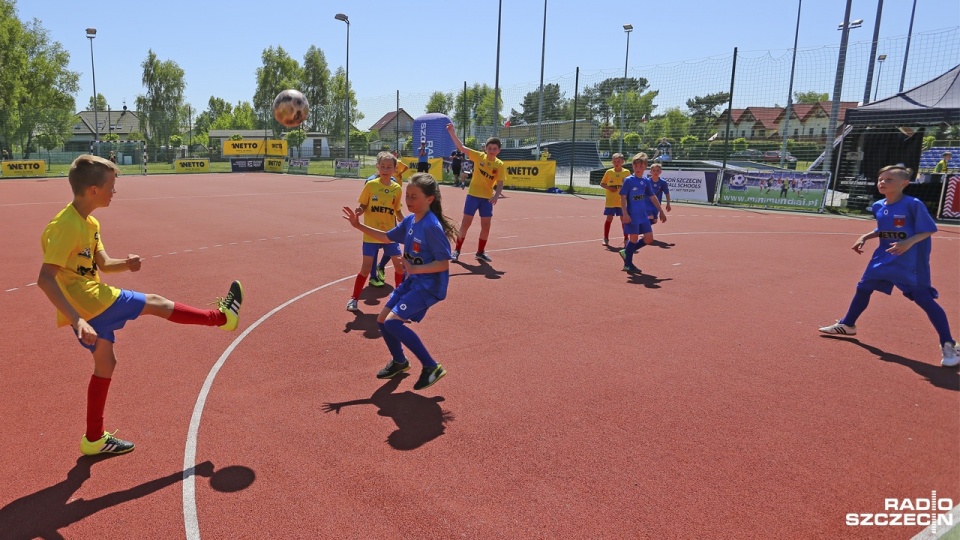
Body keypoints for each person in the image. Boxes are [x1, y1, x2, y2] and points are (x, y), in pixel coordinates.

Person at [37, 155, 244, 456]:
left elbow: (103, 264)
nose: (114, 192)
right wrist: (77, 319)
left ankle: (93, 439)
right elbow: (45, 278)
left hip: (88, 306)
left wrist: (127, 264)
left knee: (106, 364)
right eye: (111, 185)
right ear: (93, 189)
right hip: (90, 302)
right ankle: (222, 318)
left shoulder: (90, 222)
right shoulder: (65, 226)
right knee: (156, 303)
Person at [819, 165, 958, 368]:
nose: (883, 182)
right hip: (884, 258)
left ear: (904, 183)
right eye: (881, 179)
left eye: (889, 179)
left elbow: (929, 229)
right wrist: (866, 236)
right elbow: (884, 227)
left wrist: (908, 243)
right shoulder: (878, 205)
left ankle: (948, 344)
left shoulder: (913, 204)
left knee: (923, 298)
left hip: (910, 261)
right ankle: (847, 325)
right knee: (863, 287)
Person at [342, 173, 459, 390]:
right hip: (413, 281)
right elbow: (387, 237)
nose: (409, 200)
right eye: (407, 195)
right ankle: (399, 362)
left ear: (430, 199)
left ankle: (431, 366)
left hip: (429, 286)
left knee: (392, 322)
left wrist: (415, 268)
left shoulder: (432, 227)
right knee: (381, 319)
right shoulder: (410, 220)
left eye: (414, 197)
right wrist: (358, 226)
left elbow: (444, 263)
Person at [347, 151, 406, 311]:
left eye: (389, 167)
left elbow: (397, 210)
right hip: (371, 234)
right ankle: (354, 299)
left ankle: (398, 299)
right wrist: (359, 211)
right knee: (365, 269)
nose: (386, 169)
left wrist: (408, 223)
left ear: (394, 169)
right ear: (377, 167)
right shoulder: (371, 185)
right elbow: (363, 205)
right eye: (383, 166)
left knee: (400, 267)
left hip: (389, 234)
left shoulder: (397, 189)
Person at [445, 123, 504, 262]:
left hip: (487, 199)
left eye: (494, 149)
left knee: (486, 226)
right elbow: (461, 147)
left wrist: (496, 195)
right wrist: (451, 132)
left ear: (498, 151)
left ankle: (480, 252)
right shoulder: (479, 156)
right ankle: (457, 251)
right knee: (466, 224)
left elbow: (500, 182)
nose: (491, 150)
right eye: (489, 148)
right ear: (485, 149)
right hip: (473, 196)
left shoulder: (500, 164)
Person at [618, 153, 666, 273]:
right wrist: (625, 213)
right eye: (636, 165)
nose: (638, 168)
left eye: (641, 166)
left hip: (643, 214)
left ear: (645, 167)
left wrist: (661, 211)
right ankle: (628, 264)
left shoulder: (645, 181)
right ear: (633, 166)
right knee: (633, 239)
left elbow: (652, 196)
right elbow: (623, 198)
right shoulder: (629, 180)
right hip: (632, 215)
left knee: (649, 239)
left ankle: (627, 251)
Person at [599, 153, 631, 247]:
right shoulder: (609, 172)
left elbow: (630, 185)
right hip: (611, 200)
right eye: (614, 161)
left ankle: (626, 239)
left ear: (623, 162)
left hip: (622, 200)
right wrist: (609, 188)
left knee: (623, 220)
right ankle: (605, 238)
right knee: (609, 218)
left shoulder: (626, 172)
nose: (616, 163)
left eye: (618, 161)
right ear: (612, 162)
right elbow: (602, 184)